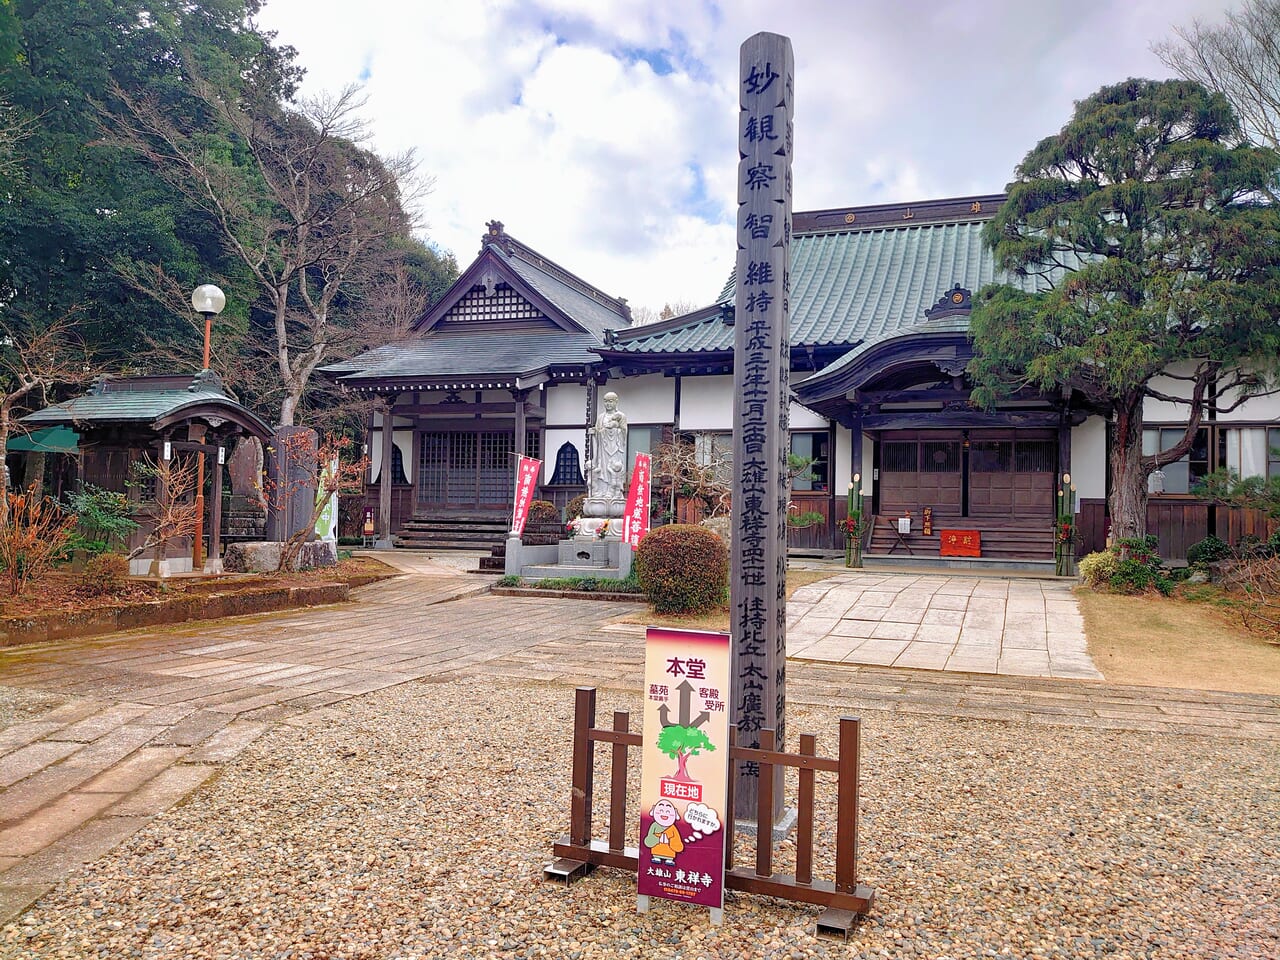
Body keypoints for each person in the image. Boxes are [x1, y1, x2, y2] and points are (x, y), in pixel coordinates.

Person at [586, 391, 628, 502]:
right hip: (603, 449)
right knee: (602, 468)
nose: (608, 404)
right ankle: (601, 492)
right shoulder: (601, 417)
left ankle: (614, 491)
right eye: (605, 401)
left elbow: (624, 432)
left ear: (616, 402)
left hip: (615, 447)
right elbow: (598, 430)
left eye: (610, 401)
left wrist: (614, 428)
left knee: (614, 469)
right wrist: (595, 432)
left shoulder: (621, 416)